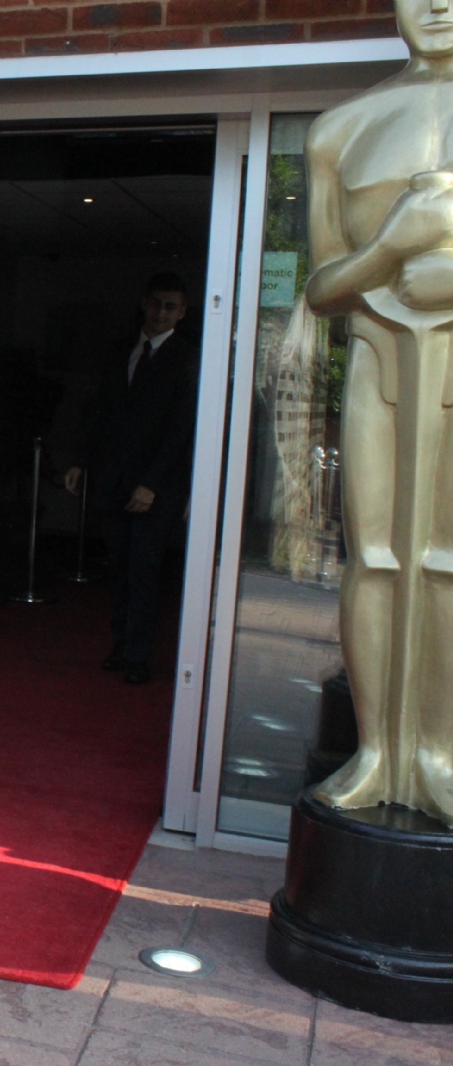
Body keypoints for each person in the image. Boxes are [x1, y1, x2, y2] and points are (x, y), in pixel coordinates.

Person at [299, 0, 453, 822]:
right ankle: (377, 752)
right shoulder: (339, 129)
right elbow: (323, 285)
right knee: (377, 556)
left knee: (447, 559)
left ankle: (438, 754)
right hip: (377, 356)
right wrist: (392, 246)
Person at [63, 273, 199, 686]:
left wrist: (152, 484)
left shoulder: (188, 358)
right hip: (114, 477)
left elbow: (181, 429)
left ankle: (138, 654)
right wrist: (80, 461)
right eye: (157, 303)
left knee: (144, 569)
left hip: (157, 486)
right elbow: (100, 410)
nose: (162, 313)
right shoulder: (121, 349)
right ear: (144, 303)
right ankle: (120, 644)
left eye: (171, 307)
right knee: (119, 568)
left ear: (183, 312)